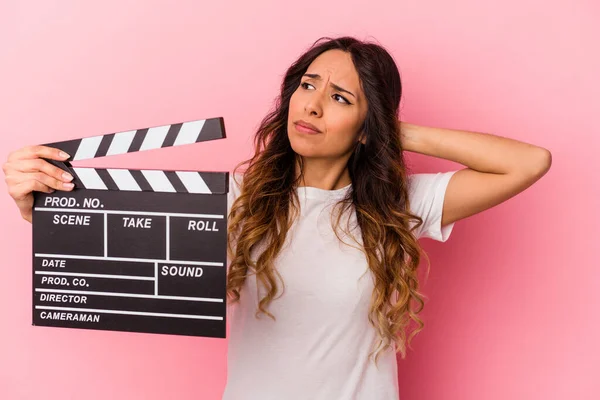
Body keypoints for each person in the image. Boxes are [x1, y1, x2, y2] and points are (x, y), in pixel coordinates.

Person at [3, 36, 551, 399]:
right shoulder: (237, 200)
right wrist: (39, 205)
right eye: (307, 84)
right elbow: (119, 246)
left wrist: (392, 134)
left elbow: (528, 163)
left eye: (339, 97)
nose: (310, 105)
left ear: (368, 123)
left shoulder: (398, 204)